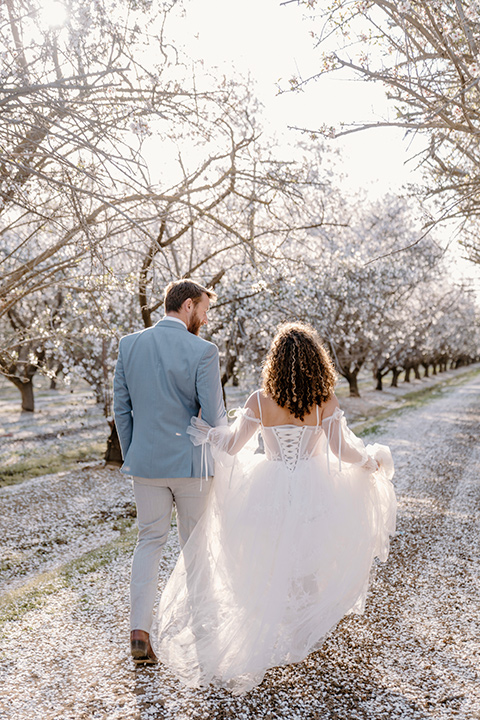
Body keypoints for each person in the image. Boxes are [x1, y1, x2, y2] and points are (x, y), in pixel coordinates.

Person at [153, 322, 397, 694]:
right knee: (308, 561)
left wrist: (210, 434)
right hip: (315, 492)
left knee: (270, 560)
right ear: (317, 361)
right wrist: (370, 461)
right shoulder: (324, 400)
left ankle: (272, 630)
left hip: (267, 489)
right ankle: (303, 635)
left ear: (275, 362)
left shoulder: (259, 400)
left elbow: (233, 447)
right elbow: (341, 452)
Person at [113, 279, 227, 665]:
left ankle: (139, 633)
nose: (206, 320)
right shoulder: (204, 351)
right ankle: (203, 633)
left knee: (149, 542)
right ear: (189, 305)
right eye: (205, 311)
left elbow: (121, 410)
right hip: (192, 466)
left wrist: (136, 454)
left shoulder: (129, 345)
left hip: (145, 464)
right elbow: (213, 418)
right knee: (195, 547)